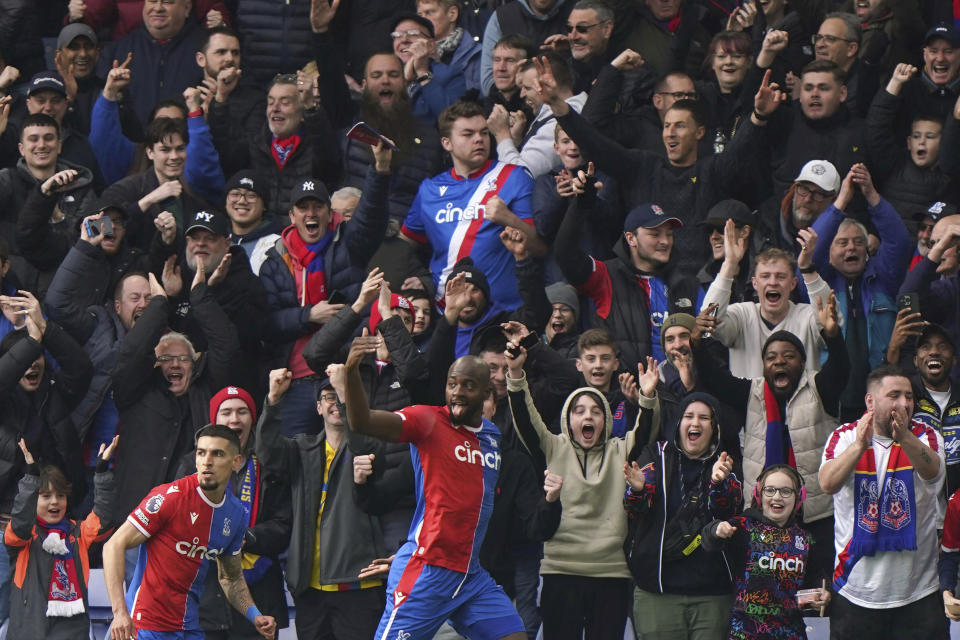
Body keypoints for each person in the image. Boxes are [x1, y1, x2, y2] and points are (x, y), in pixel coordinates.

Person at [339, 335, 527, 639]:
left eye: (468, 385)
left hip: (470, 576)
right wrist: (351, 371)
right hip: (427, 572)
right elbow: (362, 422)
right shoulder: (427, 420)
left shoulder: (491, 435)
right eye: (452, 384)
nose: (457, 392)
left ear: (486, 391)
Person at [507, 341, 659, 639]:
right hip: (559, 572)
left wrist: (648, 395)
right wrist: (515, 373)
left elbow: (645, 431)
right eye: (578, 411)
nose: (587, 417)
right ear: (568, 420)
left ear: (605, 421)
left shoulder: (620, 450)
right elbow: (526, 420)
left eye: (595, 412)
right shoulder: (553, 446)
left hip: (611, 574)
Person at [695, 305, 848, 589]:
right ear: (763, 365)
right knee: (767, 594)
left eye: (789, 357)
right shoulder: (750, 392)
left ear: (802, 363)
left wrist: (833, 336)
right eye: (771, 357)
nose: (779, 362)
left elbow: (841, 369)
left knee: (817, 594)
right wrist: (698, 341)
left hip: (815, 516)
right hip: (762, 517)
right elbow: (714, 378)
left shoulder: (820, 388)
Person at [259, 139, 392, 435]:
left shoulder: (347, 245)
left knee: (349, 459)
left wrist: (379, 170)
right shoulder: (274, 262)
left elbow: (370, 218)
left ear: (328, 212)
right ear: (291, 216)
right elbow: (264, 323)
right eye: (303, 208)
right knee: (296, 463)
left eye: (317, 206)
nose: (310, 214)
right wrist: (308, 315)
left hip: (343, 374)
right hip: (294, 382)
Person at [103, 424, 277, 640]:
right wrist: (119, 613)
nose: (207, 461)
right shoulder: (170, 497)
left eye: (218, 454)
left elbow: (230, 578)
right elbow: (113, 545)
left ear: (236, 462)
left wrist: (254, 615)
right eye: (201, 453)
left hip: (189, 628)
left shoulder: (236, 514)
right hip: (144, 625)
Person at [255, 367, 388, 640]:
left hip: (358, 585)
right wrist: (273, 399)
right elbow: (267, 453)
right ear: (317, 407)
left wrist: (344, 391)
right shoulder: (301, 449)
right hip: (309, 589)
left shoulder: (370, 444)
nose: (336, 403)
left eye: (341, 396)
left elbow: (363, 442)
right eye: (328, 397)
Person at [820, 365, 945, 638]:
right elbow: (827, 484)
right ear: (870, 401)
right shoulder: (843, 437)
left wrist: (905, 439)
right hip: (855, 593)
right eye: (895, 395)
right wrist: (858, 447)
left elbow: (933, 472)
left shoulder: (925, 436)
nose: (904, 404)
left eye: (909, 397)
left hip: (918, 594)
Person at [623, 393, 743, 640]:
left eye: (704, 418)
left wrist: (719, 484)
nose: (695, 423)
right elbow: (635, 510)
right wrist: (638, 490)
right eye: (688, 416)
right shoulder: (655, 456)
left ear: (715, 428)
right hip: (657, 593)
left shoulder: (724, 462)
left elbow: (729, 511)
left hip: (712, 594)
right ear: (678, 423)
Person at [175, 387, 292, 640]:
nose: (234, 419)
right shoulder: (191, 466)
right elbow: (180, 524)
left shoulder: (270, 463)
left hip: (260, 593)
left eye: (242, 412)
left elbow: (284, 526)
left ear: (253, 418)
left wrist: (246, 537)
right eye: (226, 412)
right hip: (205, 597)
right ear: (214, 421)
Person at [400, 100, 541, 309]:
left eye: (484, 133)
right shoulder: (429, 189)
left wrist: (508, 219)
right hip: (447, 312)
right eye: (468, 134)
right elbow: (404, 243)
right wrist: (423, 278)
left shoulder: (513, 176)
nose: (479, 140)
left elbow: (540, 249)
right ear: (446, 143)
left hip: (504, 312)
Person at [812, 163, 913, 420]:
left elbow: (900, 242)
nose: (851, 249)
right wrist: (842, 200)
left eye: (858, 242)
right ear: (829, 251)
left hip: (881, 399)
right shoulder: (820, 283)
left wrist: (871, 195)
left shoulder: (883, 279)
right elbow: (811, 250)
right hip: (832, 403)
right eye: (842, 243)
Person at [3, 437, 117, 640]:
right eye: (46, 496)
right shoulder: (24, 535)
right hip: (27, 630)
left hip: (72, 630)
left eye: (60, 495)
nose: (55, 501)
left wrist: (101, 472)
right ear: (33, 500)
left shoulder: (78, 532)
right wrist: (31, 477)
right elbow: (20, 522)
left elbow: (103, 520)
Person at [701, 464, 830, 639]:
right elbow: (708, 542)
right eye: (770, 490)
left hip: (790, 633)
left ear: (799, 498)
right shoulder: (743, 527)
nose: (777, 497)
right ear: (759, 494)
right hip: (745, 633)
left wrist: (824, 594)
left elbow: (817, 578)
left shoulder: (806, 539)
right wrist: (717, 530)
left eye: (786, 491)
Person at [98, 0, 205, 125]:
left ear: (186, 8)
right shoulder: (118, 51)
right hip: (133, 142)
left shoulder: (207, 49)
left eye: (167, 2)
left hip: (189, 142)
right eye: (152, 1)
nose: (158, 8)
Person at [487, 54, 587, 178]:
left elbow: (519, 176)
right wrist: (517, 140)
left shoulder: (559, 124)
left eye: (527, 88)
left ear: (549, 85)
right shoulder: (564, 110)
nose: (522, 94)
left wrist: (502, 135)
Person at [417, 0, 482, 91]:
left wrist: (435, 66)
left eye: (429, 12)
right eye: (420, 15)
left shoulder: (477, 54)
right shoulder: (413, 52)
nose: (422, 20)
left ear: (452, 14)